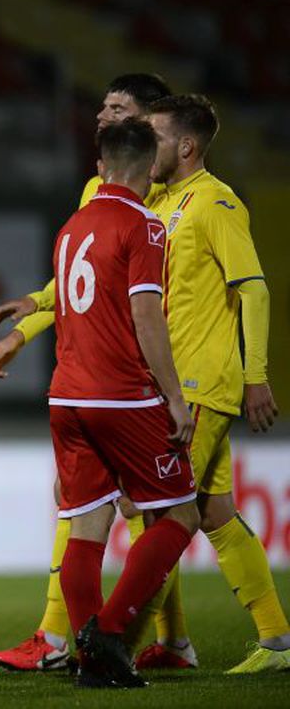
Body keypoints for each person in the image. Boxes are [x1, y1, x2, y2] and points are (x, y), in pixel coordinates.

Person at [0, 73, 172, 671]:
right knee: (172, 513)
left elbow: (87, 290)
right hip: (127, 384)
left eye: (117, 108)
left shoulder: (110, 213)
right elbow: (120, 301)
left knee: (106, 520)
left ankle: (99, 644)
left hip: (97, 385)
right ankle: (95, 637)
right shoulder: (130, 209)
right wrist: (28, 318)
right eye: (104, 105)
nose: (102, 114)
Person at [44, 117, 199, 688]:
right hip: (121, 396)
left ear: (103, 165)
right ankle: (109, 634)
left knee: (86, 527)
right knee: (182, 513)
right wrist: (175, 399)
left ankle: (92, 658)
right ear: (149, 165)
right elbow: (145, 313)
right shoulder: (146, 225)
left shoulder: (71, 225)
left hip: (67, 394)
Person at [135, 95, 286, 674]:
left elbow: (254, 288)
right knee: (214, 511)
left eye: (156, 135)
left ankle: (123, 643)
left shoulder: (216, 202)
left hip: (200, 382)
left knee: (162, 512)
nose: (148, 147)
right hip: (176, 382)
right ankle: (275, 640)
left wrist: (257, 378)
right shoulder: (166, 201)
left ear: (187, 146)